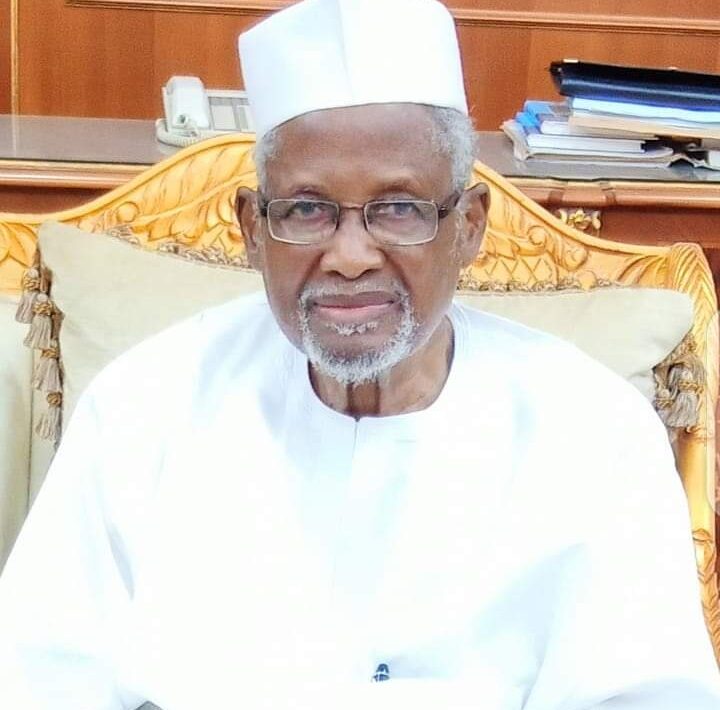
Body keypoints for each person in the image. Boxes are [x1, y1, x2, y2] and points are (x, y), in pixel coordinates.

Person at [1, 0, 719, 708]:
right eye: (306, 209)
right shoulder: (144, 408)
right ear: (252, 228)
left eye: (400, 209)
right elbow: (38, 679)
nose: (349, 256)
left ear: (469, 226)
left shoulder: (594, 432)